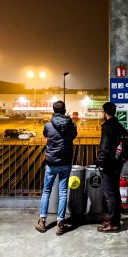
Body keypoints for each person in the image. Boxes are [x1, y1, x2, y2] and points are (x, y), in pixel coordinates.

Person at [35, 100, 77, 236]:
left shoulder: (48, 125)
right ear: (64, 110)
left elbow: (46, 135)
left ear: (53, 111)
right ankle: (60, 223)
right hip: (65, 162)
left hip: (51, 163)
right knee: (63, 192)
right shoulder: (71, 125)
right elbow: (73, 136)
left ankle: (42, 221)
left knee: (46, 191)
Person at [96, 101, 128, 233]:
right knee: (115, 191)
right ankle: (115, 218)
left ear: (105, 112)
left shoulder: (107, 126)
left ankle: (114, 223)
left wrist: (101, 163)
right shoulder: (118, 125)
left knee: (110, 194)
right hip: (117, 163)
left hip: (108, 164)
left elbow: (104, 147)